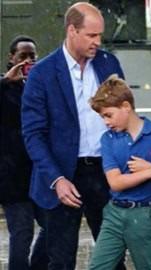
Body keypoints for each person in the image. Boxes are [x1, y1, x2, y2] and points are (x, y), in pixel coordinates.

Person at [21, 2, 126, 269]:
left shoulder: (108, 63)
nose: (97, 42)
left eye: (100, 35)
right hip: (62, 176)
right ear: (72, 31)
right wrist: (56, 179)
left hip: (105, 172)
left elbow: (126, 115)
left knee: (113, 259)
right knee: (61, 260)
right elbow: (33, 134)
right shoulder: (42, 74)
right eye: (91, 35)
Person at [88, 75, 151, 269]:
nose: (106, 122)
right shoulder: (108, 139)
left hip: (145, 215)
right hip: (114, 213)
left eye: (108, 115)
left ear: (126, 106)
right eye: (102, 117)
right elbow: (115, 182)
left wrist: (149, 167)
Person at [0, 35, 48, 270]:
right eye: (23, 56)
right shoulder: (4, 86)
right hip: (12, 177)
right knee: (22, 233)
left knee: (54, 227)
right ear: (11, 58)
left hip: (39, 174)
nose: (28, 60)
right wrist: (6, 83)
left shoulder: (39, 86)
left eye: (32, 56)